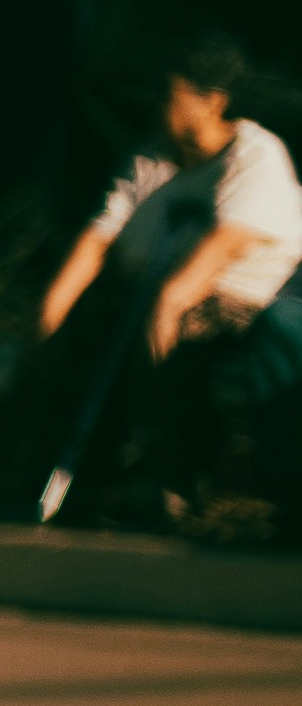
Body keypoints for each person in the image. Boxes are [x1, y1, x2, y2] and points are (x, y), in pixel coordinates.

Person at [29, 35, 299, 516]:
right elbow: (97, 241)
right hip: (145, 295)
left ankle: (169, 476)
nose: (158, 104)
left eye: (169, 93)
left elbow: (198, 273)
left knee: (182, 341)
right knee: (73, 338)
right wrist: (51, 316)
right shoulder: (149, 159)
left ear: (211, 100)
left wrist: (162, 318)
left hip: (233, 301)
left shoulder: (255, 157)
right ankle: (59, 478)